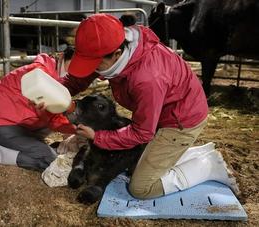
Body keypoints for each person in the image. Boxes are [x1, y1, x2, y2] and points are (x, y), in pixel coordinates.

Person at [61, 14, 239, 199]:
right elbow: (80, 76)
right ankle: (175, 155)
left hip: (180, 121)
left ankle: (208, 166)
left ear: (117, 54)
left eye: (95, 63)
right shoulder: (118, 45)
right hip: (160, 112)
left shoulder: (147, 79)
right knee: (139, 158)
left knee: (141, 188)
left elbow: (142, 133)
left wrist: (97, 136)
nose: (93, 69)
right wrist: (55, 91)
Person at [0, 48, 77, 172]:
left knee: (56, 120)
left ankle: (25, 146)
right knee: (50, 159)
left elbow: (56, 115)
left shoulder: (51, 73)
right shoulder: (40, 75)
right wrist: (80, 130)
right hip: (0, 126)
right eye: (73, 65)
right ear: (61, 57)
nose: (74, 72)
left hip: (22, 124)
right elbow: (54, 119)